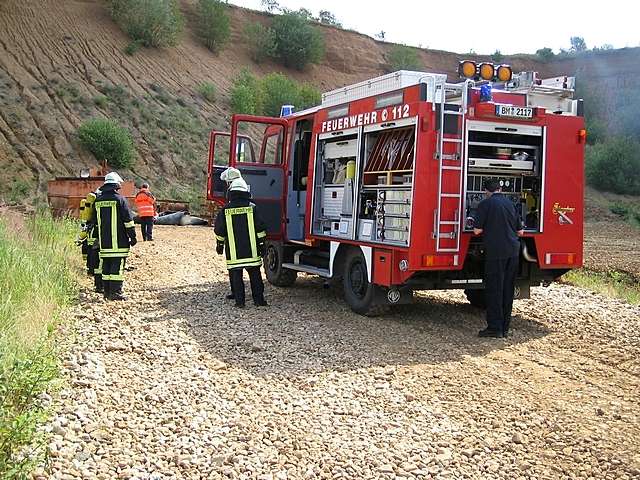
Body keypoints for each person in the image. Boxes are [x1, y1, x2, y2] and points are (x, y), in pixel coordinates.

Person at [473, 179, 524, 338]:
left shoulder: (485, 205)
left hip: (496, 253)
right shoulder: (510, 204)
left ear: (486, 191)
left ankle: (494, 328)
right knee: (507, 289)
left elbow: (476, 231)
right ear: (500, 189)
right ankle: (505, 328)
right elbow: (520, 232)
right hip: (513, 252)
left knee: (495, 289)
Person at [214, 167, 268, 308]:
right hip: (252, 251)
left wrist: (220, 245)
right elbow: (260, 228)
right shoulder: (252, 207)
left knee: (236, 277)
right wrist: (262, 245)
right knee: (255, 276)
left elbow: (220, 231)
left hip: (234, 253)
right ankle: (259, 301)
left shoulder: (225, 210)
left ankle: (240, 302)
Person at [92, 172, 137, 301]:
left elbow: (95, 221)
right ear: (116, 185)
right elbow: (128, 221)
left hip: (104, 243)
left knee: (106, 266)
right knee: (117, 267)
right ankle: (115, 292)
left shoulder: (98, 201)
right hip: (119, 241)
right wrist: (132, 237)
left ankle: (106, 292)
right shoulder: (120, 200)